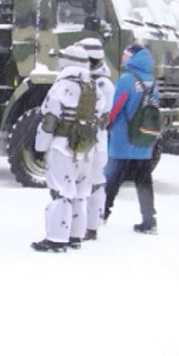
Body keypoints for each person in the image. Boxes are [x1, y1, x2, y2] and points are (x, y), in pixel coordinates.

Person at [31, 44, 99, 252]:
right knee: (79, 193)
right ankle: (75, 236)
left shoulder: (62, 86)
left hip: (62, 146)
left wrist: (40, 146)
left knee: (61, 191)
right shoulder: (93, 86)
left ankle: (56, 238)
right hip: (86, 147)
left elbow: (50, 119)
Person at [103, 44, 160, 234]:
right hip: (143, 139)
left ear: (133, 58)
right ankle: (149, 220)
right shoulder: (151, 81)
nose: (123, 58)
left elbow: (117, 106)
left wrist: (106, 124)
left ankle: (101, 215)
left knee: (111, 180)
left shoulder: (127, 80)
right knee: (144, 181)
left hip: (122, 140)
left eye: (126, 54)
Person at [75, 38, 114, 242]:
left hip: (95, 144)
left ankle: (90, 227)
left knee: (92, 186)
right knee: (89, 185)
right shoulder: (96, 81)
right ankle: (87, 225)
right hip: (93, 143)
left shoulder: (101, 84)